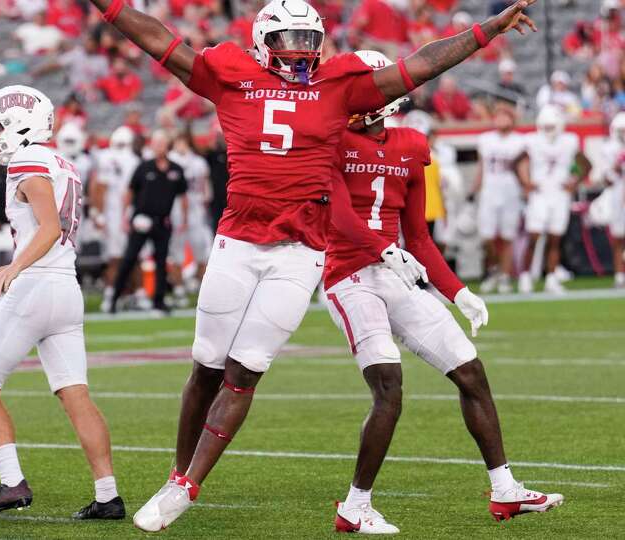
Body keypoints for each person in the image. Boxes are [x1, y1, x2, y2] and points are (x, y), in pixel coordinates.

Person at [83, 0, 540, 530]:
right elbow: (157, 38)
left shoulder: (341, 86)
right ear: (261, 42)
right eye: (288, 38)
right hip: (237, 242)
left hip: (300, 253)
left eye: (308, 38)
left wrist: (486, 31)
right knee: (206, 365)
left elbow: (422, 64)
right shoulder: (230, 75)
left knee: (245, 369)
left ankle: (187, 485)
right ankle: (176, 472)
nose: (299, 49)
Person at [324, 50, 563, 534]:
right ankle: (355, 505)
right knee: (389, 386)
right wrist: (381, 250)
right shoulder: (329, 143)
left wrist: (458, 292)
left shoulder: (411, 145)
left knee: (471, 372)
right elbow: (339, 218)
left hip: (398, 273)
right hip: (349, 276)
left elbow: (419, 238)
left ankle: (505, 490)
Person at [0, 85, 124, 520]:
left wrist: (11, 270)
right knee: (75, 394)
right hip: (64, 288)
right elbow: (48, 234)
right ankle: (108, 495)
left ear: (19, 124)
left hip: (36, 286)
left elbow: (47, 229)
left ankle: (12, 483)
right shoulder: (61, 163)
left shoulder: (27, 159)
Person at [109, 129, 186, 315]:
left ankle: (158, 301)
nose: (159, 147)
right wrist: (125, 218)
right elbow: (129, 192)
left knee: (161, 262)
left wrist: (184, 219)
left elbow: (183, 196)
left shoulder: (176, 169)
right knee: (129, 259)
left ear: (168, 145)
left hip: (163, 222)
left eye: (162, 143)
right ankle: (114, 298)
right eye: (156, 143)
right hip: (141, 220)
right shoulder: (144, 167)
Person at [517, 105, 589, 294]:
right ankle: (524, 276)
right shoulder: (532, 140)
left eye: (552, 125)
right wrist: (526, 182)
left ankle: (551, 277)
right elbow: (518, 162)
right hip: (539, 193)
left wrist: (575, 182)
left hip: (559, 194)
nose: (548, 129)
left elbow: (586, 164)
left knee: (555, 239)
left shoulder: (569, 141)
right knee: (534, 237)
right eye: (546, 125)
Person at [473, 104, 525, 294]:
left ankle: (504, 276)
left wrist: (526, 188)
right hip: (489, 191)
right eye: (498, 116)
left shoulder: (520, 141)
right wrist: (474, 189)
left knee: (507, 236)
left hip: (510, 191)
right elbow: (481, 167)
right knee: (487, 236)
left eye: (505, 116)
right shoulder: (485, 139)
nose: (501, 120)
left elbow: (523, 170)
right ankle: (494, 270)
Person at [93, 126, 140, 310]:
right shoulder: (121, 159)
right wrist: (100, 214)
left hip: (120, 214)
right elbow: (100, 188)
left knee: (130, 256)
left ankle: (129, 294)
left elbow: (99, 188)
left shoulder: (129, 159)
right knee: (119, 257)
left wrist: (99, 214)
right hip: (118, 214)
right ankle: (113, 294)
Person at [168, 131, 213, 303]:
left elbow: (205, 188)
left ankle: (201, 287)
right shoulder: (170, 160)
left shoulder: (199, 162)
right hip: (175, 211)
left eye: (184, 141)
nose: (181, 145)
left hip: (196, 211)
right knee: (176, 251)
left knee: (202, 250)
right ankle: (179, 289)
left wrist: (205, 202)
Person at [599, 112, 625, 288]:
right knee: (618, 236)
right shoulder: (608, 148)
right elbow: (607, 180)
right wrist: (616, 166)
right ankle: (619, 275)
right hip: (617, 195)